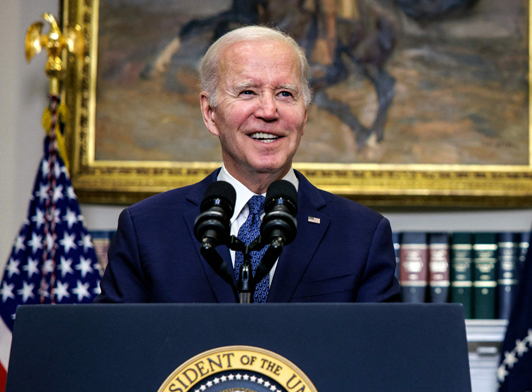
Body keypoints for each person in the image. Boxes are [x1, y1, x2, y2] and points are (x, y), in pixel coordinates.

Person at [96, 26, 400, 304]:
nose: (269, 111)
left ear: (304, 114)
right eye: (247, 92)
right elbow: (115, 349)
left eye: (285, 94)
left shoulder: (362, 235)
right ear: (210, 112)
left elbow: (380, 355)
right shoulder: (146, 229)